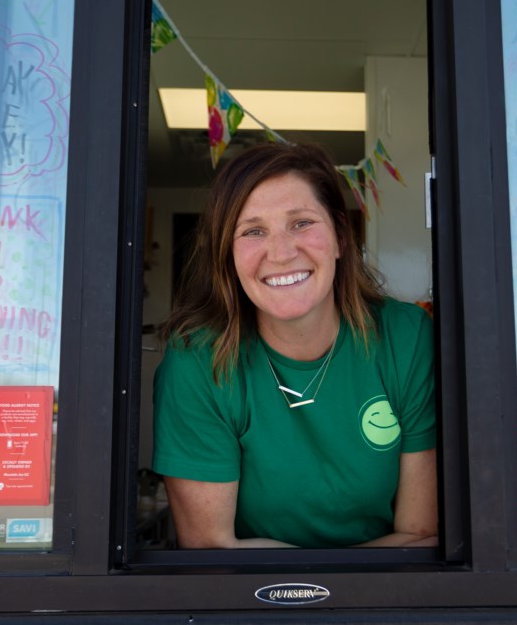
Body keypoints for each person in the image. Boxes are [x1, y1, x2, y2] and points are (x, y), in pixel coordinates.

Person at [152, 141, 437, 549]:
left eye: (301, 223)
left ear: (340, 237)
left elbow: (421, 536)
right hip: (253, 607)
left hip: (388, 603)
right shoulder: (199, 361)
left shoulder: (406, 339)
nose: (282, 253)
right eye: (253, 231)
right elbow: (212, 550)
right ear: (227, 255)